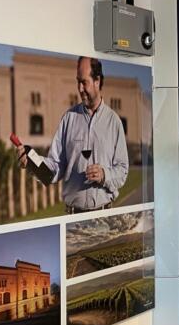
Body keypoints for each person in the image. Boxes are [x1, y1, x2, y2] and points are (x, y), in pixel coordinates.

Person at [17, 56, 129, 213]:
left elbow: (122, 170)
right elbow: (55, 167)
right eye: (78, 82)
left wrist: (104, 174)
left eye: (84, 82)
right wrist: (32, 162)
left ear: (97, 81)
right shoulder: (68, 119)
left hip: (105, 215)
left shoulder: (114, 122)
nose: (80, 88)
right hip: (73, 218)